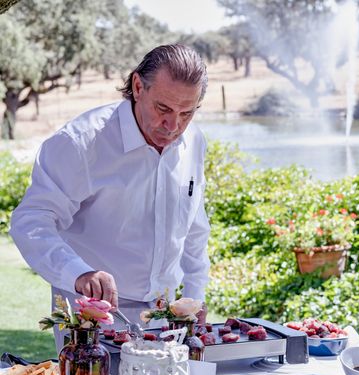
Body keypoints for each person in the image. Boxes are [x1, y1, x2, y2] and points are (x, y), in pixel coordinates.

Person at [10, 44, 211, 351]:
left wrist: (194, 298)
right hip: (90, 318)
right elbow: (31, 222)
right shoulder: (80, 143)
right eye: (163, 109)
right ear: (138, 86)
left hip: (165, 319)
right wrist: (79, 273)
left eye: (187, 113)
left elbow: (195, 228)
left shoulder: (194, 141)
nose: (173, 127)